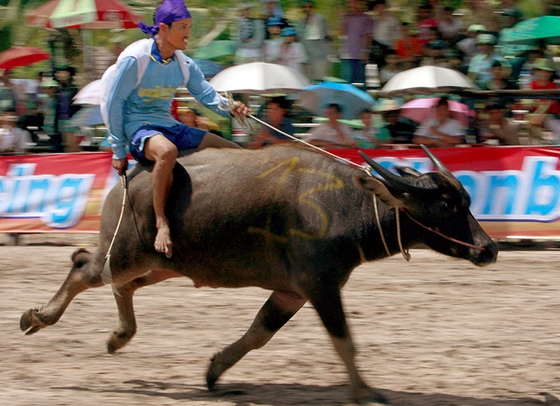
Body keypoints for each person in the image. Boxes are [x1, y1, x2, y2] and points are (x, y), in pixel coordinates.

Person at [102, 0, 250, 258]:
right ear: (163, 28)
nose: (188, 33)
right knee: (167, 152)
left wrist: (231, 107)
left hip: (169, 125)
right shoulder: (134, 59)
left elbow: (205, 94)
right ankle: (161, 223)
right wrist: (117, 150)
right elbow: (115, 102)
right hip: (139, 127)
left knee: (236, 153)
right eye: (183, 27)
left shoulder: (184, 63)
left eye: (189, 27)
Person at [525, 58, 560, 143]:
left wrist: (544, 115)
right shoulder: (529, 86)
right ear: (535, 72)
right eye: (540, 71)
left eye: (547, 71)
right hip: (533, 119)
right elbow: (526, 105)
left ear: (551, 73)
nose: (543, 74)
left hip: (554, 118)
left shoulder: (556, 87)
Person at [296, 0, 331, 82]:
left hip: (320, 56)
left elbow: (328, 36)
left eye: (309, 7)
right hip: (305, 57)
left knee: (319, 81)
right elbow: (298, 39)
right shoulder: (300, 22)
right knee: (307, 82)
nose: (307, 9)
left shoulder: (321, 19)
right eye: (305, 7)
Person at [340, 0, 373, 87]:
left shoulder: (366, 18)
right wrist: (341, 18)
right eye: (350, 2)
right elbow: (342, 33)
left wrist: (365, 51)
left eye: (355, 2)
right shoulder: (346, 17)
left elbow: (368, 35)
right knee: (347, 81)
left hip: (360, 54)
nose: (352, 5)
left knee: (360, 81)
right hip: (347, 53)